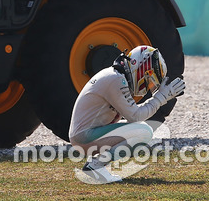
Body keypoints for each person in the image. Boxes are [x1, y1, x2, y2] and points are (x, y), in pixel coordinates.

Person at [69, 45, 186, 184]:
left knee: (141, 129)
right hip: (84, 136)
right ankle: (96, 165)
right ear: (139, 66)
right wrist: (160, 98)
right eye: (148, 79)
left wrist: (161, 97)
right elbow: (135, 116)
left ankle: (95, 164)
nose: (147, 87)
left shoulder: (115, 76)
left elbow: (134, 115)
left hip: (85, 134)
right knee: (143, 131)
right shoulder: (115, 79)